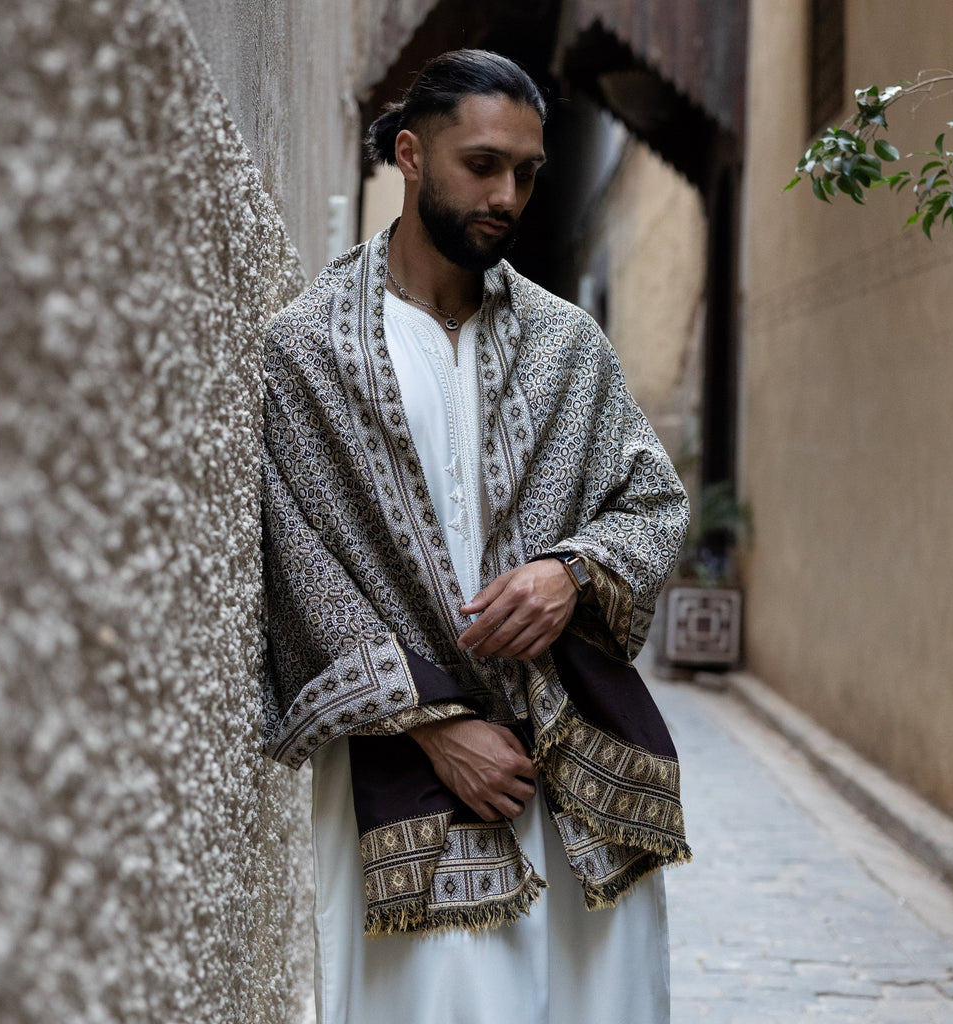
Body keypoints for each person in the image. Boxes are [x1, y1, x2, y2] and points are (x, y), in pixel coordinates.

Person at [261, 48, 691, 1024]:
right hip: (408, 765)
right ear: (410, 155)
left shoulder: (565, 342)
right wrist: (437, 727)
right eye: (482, 164)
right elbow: (298, 561)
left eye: (529, 173)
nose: (508, 194)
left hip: (564, 756)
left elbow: (650, 503)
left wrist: (570, 574)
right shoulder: (310, 347)